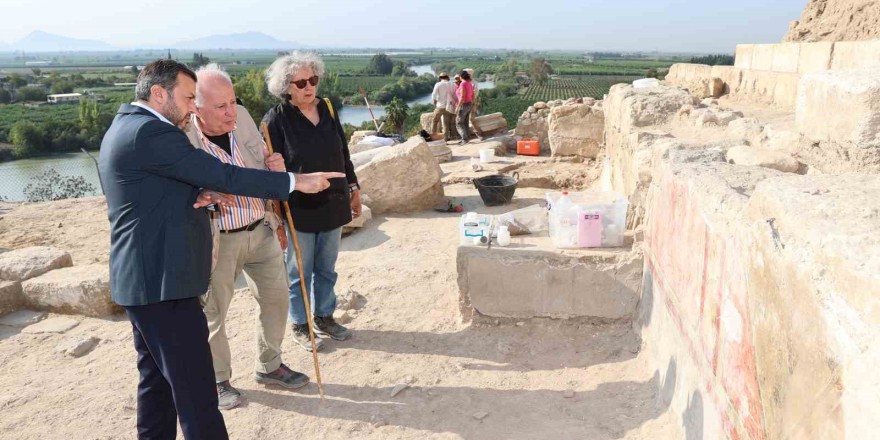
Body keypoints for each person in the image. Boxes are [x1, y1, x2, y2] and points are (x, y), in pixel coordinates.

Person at [99, 59, 343, 440]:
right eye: (188, 97)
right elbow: (222, 173)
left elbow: (151, 194)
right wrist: (294, 181)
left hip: (148, 282)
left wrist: (198, 193)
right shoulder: (150, 132)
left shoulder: (129, 126)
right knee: (197, 393)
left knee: (157, 385)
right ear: (159, 94)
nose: (193, 106)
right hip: (164, 283)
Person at [184, 63, 306, 411]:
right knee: (214, 314)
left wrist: (274, 170)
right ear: (197, 107)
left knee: (277, 299)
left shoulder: (243, 117)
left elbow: (260, 165)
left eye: (233, 101)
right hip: (218, 238)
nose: (230, 112)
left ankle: (269, 365)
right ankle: (218, 381)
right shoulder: (184, 139)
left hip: (260, 227)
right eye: (220, 106)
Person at [262, 51, 360, 352]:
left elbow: (342, 153)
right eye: (301, 82)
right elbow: (271, 170)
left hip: (332, 202)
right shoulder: (274, 121)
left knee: (327, 268)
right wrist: (276, 212)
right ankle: (301, 324)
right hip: (299, 210)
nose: (309, 87)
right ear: (286, 87)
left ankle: (324, 316)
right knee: (298, 273)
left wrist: (354, 187)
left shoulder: (328, 108)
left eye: (313, 79)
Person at [430, 72, 456, 141]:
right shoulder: (452, 84)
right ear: (447, 77)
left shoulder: (438, 84)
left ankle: (433, 136)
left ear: (440, 78)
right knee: (445, 124)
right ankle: (445, 139)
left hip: (440, 106)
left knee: (434, 121)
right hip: (448, 106)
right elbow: (454, 94)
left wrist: (434, 102)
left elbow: (434, 94)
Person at [455, 69, 475, 145]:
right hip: (469, 104)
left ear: (461, 77)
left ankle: (464, 139)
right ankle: (467, 137)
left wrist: (458, 106)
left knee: (459, 123)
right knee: (465, 122)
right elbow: (472, 95)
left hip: (464, 105)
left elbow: (462, 97)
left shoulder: (463, 84)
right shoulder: (469, 83)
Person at [464, 68, 484, 140]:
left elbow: (475, 93)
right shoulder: (463, 82)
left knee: (471, 118)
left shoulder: (474, 83)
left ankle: (478, 133)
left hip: (472, 102)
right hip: (464, 103)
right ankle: (466, 135)